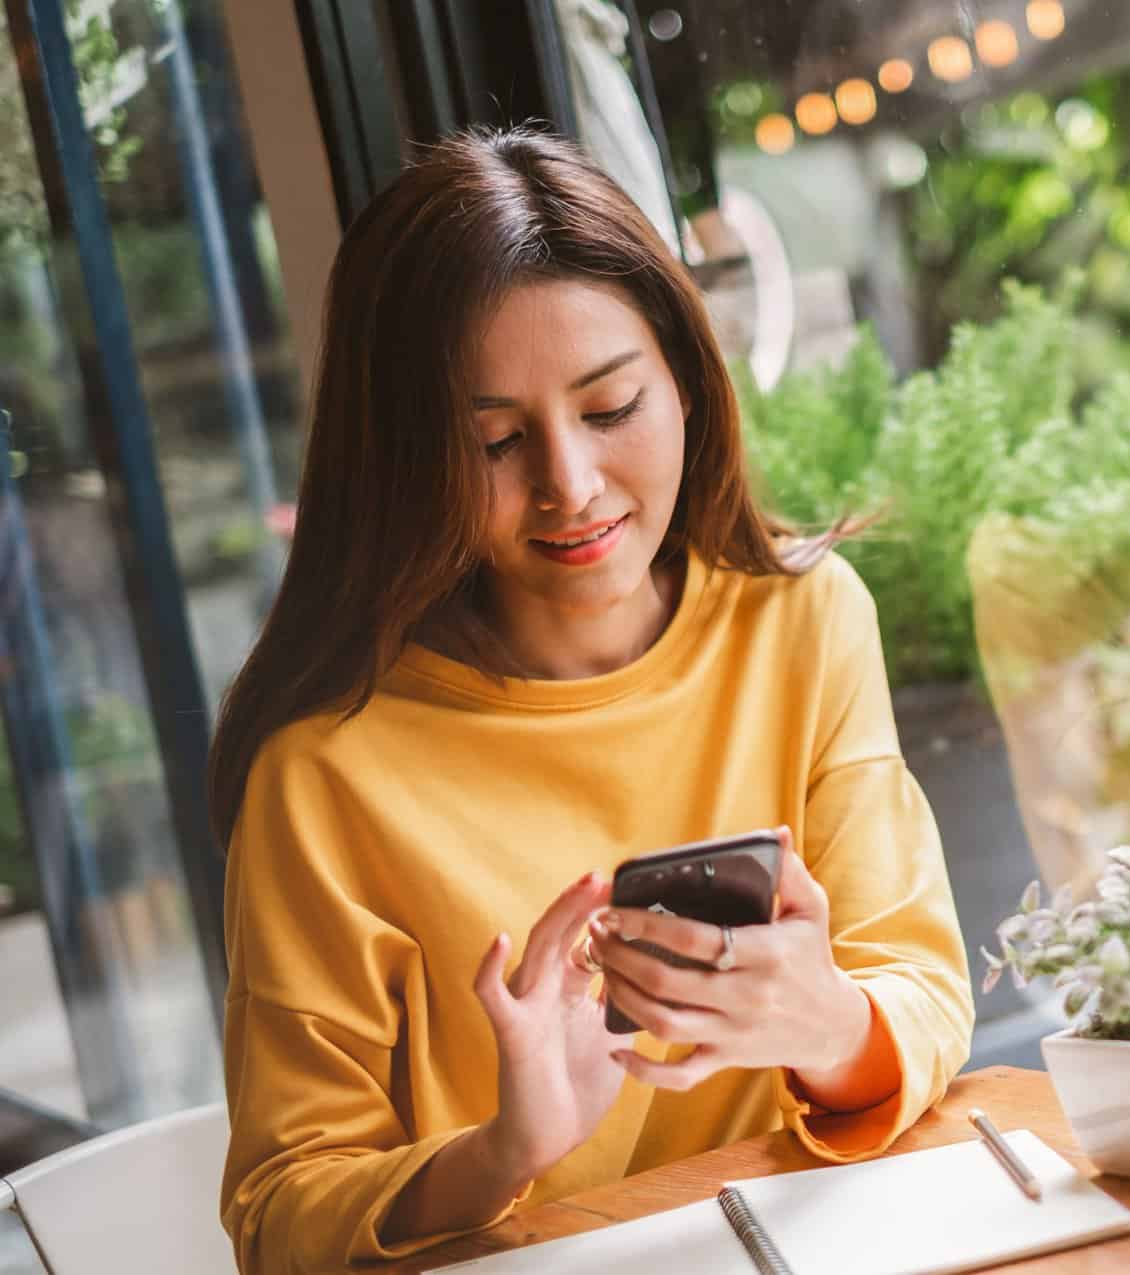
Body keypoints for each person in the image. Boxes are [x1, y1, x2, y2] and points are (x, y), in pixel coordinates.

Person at [211, 127, 972, 1275]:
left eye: (611, 408)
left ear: (685, 381)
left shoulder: (801, 623)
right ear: (405, 459)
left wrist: (824, 1024)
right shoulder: (326, 773)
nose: (569, 485)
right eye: (498, 442)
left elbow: (916, 986)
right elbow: (280, 1212)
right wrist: (502, 1150)